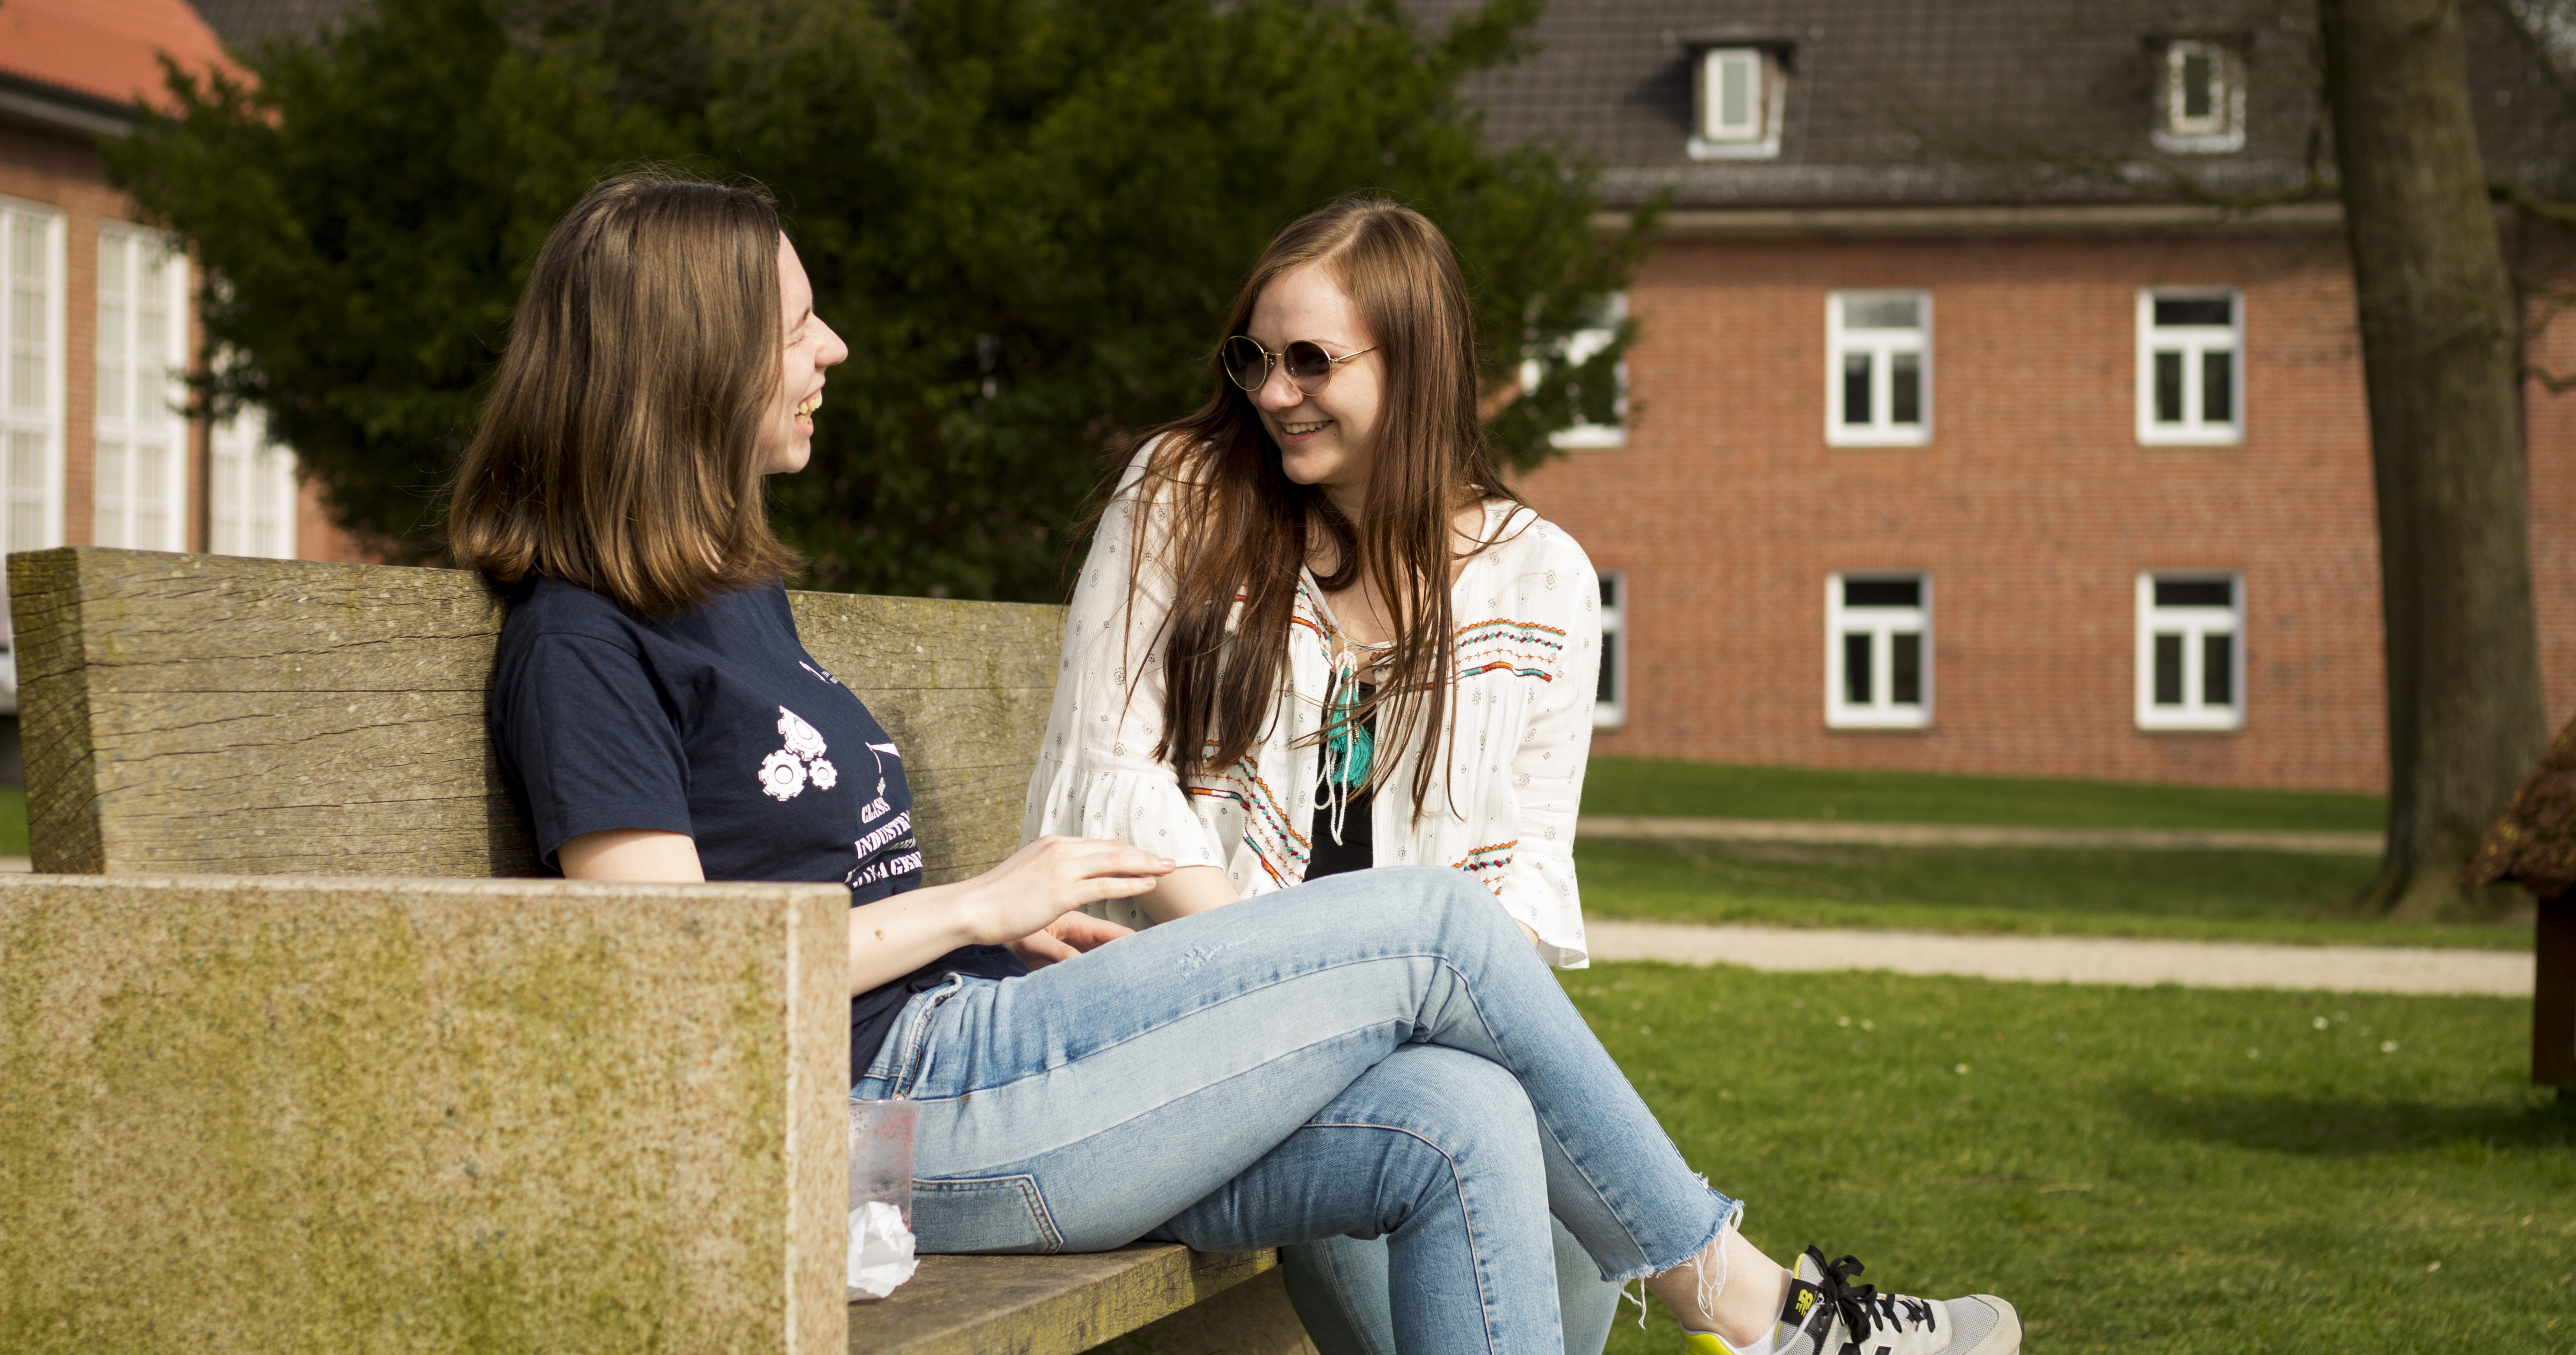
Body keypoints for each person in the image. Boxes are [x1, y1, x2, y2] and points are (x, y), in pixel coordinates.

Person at [455, 171, 2021, 1355]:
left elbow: (802, 888)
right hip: (864, 1127)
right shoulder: (580, 641)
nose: (833, 347)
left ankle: (1749, 1303)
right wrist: (971, 905)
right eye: (798, 324)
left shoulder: (728, 597)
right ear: (689, 355)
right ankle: (1757, 1305)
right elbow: (667, 986)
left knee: (1458, 1117)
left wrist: (996, 929)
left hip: (970, 1047)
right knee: (1426, 934)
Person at [1022, 195, 1621, 1355]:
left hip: (1423, 1047)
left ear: (1422, 365)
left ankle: (1737, 1295)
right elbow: (1116, 781)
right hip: (1187, 1022)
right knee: (1441, 1173)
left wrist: (1385, 1021)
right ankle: (1749, 1302)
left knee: (1567, 1245)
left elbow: (1520, 878)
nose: (1273, 392)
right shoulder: (1185, 499)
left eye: (1310, 360)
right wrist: (1306, 994)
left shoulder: (1542, 580)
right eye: (1255, 357)